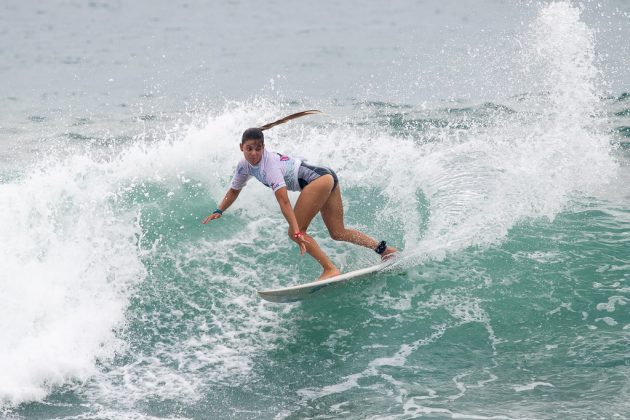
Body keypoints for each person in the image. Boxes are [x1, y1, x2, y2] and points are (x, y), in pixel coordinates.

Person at [203, 110, 397, 280]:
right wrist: (219, 209)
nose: (254, 153)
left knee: (296, 232)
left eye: (258, 148)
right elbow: (234, 190)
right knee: (338, 232)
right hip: (326, 176)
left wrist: (296, 231)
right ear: (241, 148)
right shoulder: (243, 166)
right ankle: (385, 251)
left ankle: (330, 269)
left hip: (318, 180)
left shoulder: (269, 166)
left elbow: (284, 201)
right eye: (249, 149)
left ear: (264, 147)